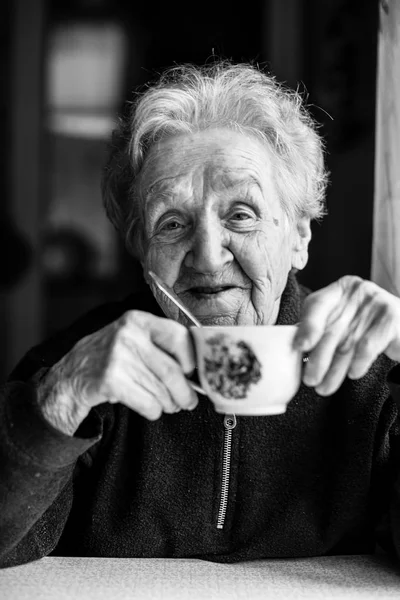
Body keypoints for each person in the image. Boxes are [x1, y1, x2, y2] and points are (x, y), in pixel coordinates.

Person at [0, 61, 399, 568]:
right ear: (140, 249)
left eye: (240, 214)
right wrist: (63, 397)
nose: (208, 256)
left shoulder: (372, 375)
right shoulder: (82, 367)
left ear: (298, 236)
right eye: (171, 223)